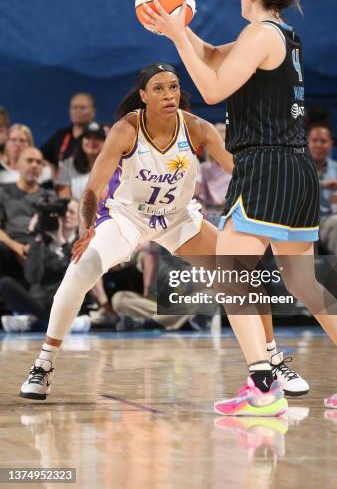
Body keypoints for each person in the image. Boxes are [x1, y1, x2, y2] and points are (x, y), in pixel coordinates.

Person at [142, 0, 337, 415]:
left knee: (231, 272)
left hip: (267, 167)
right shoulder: (281, 35)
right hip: (296, 170)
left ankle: (262, 386)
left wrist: (177, 36)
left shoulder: (259, 34)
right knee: (303, 282)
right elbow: (217, 57)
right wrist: (178, 31)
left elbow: (214, 89)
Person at [19, 62, 234, 400]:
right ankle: (43, 365)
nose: (168, 94)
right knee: (81, 269)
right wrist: (87, 229)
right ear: (144, 96)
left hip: (177, 218)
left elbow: (239, 172)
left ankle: (268, 362)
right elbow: (92, 189)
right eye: (159, 88)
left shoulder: (198, 129)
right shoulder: (126, 129)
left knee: (240, 270)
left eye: (174, 87)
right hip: (127, 218)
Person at [0, 199, 90, 334]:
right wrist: (36, 237)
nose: (66, 215)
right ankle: (51, 322)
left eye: (72, 212)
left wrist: (61, 240)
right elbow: (32, 277)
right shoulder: (41, 242)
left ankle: (33, 322)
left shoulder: (81, 243)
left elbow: (77, 273)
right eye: (64, 212)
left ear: (80, 218)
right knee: (6, 283)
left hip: (65, 303)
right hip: (39, 303)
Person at [308, 124, 337, 277]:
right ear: (306, 143)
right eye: (314, 140)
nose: (319, 145)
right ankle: (301, 292)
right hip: (302, 223)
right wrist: (321, 185)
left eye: (323, 141)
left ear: (331, 144)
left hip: (327, 224)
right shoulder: (297, 166)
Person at [0, 147, 48, 280]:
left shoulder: (49, 197)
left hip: (39, 247)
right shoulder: (3, 193)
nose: (34, 165)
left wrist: (34, 248)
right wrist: (15, 246)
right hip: (8, 246)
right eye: (29, 161)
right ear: (18, 165)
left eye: (39, 162)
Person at [41, 93, 96, 168]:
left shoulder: (98, 136)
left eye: (83, 108)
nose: (78, 111)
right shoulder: (61, 134)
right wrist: (51, 169)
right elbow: (41, 156)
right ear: (70, 111)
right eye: (74, 107)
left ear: (93, 111)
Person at [57, 122, 106, 201]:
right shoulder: (67, 165)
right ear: (81, 141)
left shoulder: (114, 166)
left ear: (105, 142)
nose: (92, 141)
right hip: (74, 211)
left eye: (97, 137)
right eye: (88, 137)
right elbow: (64, 198)